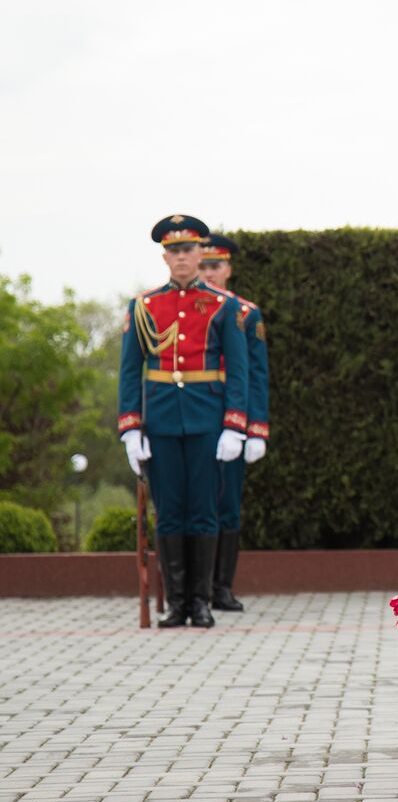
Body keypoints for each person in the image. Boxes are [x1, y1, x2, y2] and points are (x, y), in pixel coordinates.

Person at [117, 215, 249, 629]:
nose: (182, 258)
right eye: (174, 251)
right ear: (165, 256)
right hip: (159, 421)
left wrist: (234, 425)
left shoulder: (223, 306)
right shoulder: (144, 307)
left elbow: (239, 370)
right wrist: (130, 427)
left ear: (199, 253)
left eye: (188, 250)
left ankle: (201, 601)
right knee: (170, 512)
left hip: (208, 421)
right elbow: (129, 370)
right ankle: (177, 604)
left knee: (205, 512)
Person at [198, 233, 270, 612]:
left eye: (216, 266)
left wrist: (255, 429)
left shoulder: (245, 313)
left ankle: (220, 587)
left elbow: (256, 375)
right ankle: (192, 589)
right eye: (203, 265)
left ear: (228, 269)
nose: (209, 273)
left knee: (227, 505)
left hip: (233, 421)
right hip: (195, 416)